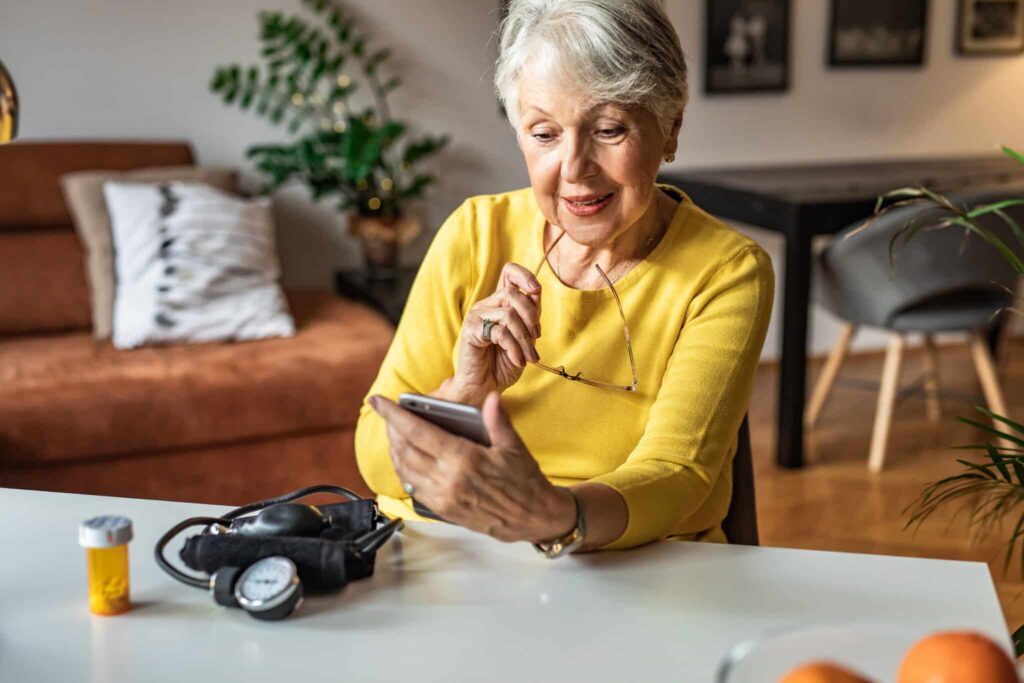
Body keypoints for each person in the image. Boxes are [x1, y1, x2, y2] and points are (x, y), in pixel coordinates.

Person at [355, 0, 774, 555]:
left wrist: (553, 516)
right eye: (545, 134)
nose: (574, 168)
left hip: (633, 569)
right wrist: (463, 396)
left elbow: (679, 477)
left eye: (608, 129)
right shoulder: (475, 233)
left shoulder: (725, 272)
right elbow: (375, 455)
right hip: (450, 558)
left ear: (669, 128)